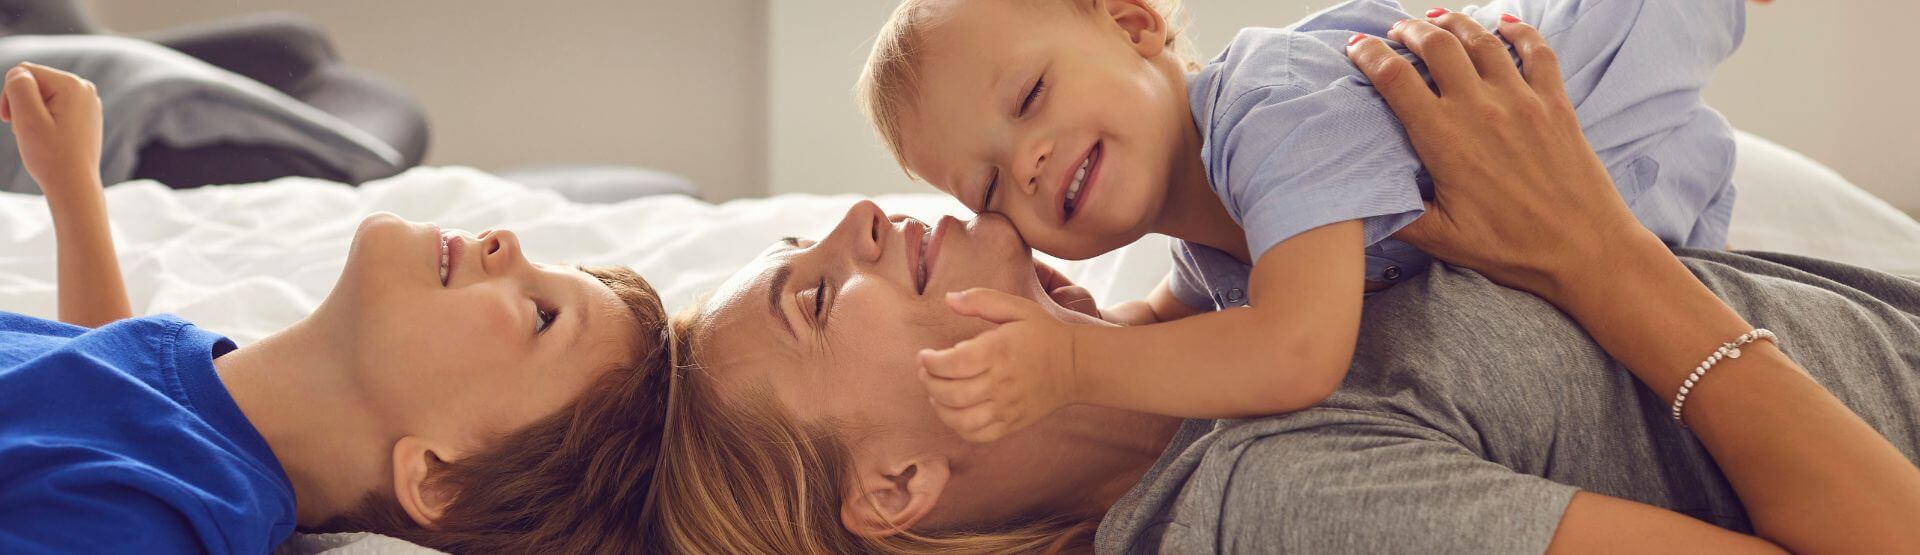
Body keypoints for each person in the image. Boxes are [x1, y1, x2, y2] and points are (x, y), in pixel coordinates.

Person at [647, 14, 1920, 553]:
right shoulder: (1276, 505)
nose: (862, 215)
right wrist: (1596, 258)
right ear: (895, 485)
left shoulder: (1201, 321)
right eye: (815, 297)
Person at [851, 0, 1754, 443]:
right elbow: (1171, 321)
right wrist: (1055, 327)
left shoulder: (1267, 109)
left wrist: (1072, 364)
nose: (1029, 163)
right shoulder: (1209, 243)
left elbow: (1294, 350)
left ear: (1131, 26)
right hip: (1643, 198)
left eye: (1031, 95)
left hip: (1595, 65)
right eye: (988, 188)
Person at [0, 62, 671, 553]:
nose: (508, 241)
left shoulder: (145, 521)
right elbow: (96, 380)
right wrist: (74, 188)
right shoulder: (195, 397)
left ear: (438, 477)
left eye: (543, 314)